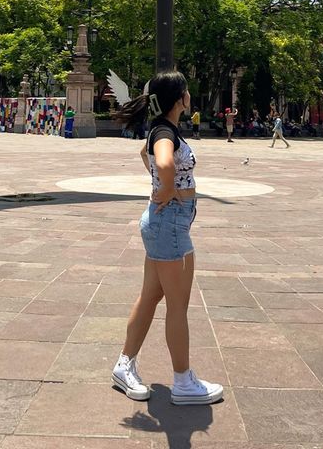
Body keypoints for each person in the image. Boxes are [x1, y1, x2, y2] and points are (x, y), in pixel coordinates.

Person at [112, 71, 224, 406]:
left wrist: (165, 187)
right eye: (187, 92)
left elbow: (145, 156)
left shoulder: (165, 129)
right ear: (179, 98)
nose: (190, 96)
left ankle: (124, 365)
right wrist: (172, 189)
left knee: (150, 297)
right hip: (169, 226)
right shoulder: (165, 131)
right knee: (177, 306)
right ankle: (183, 381)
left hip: (165, 225)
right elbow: (160, 162)